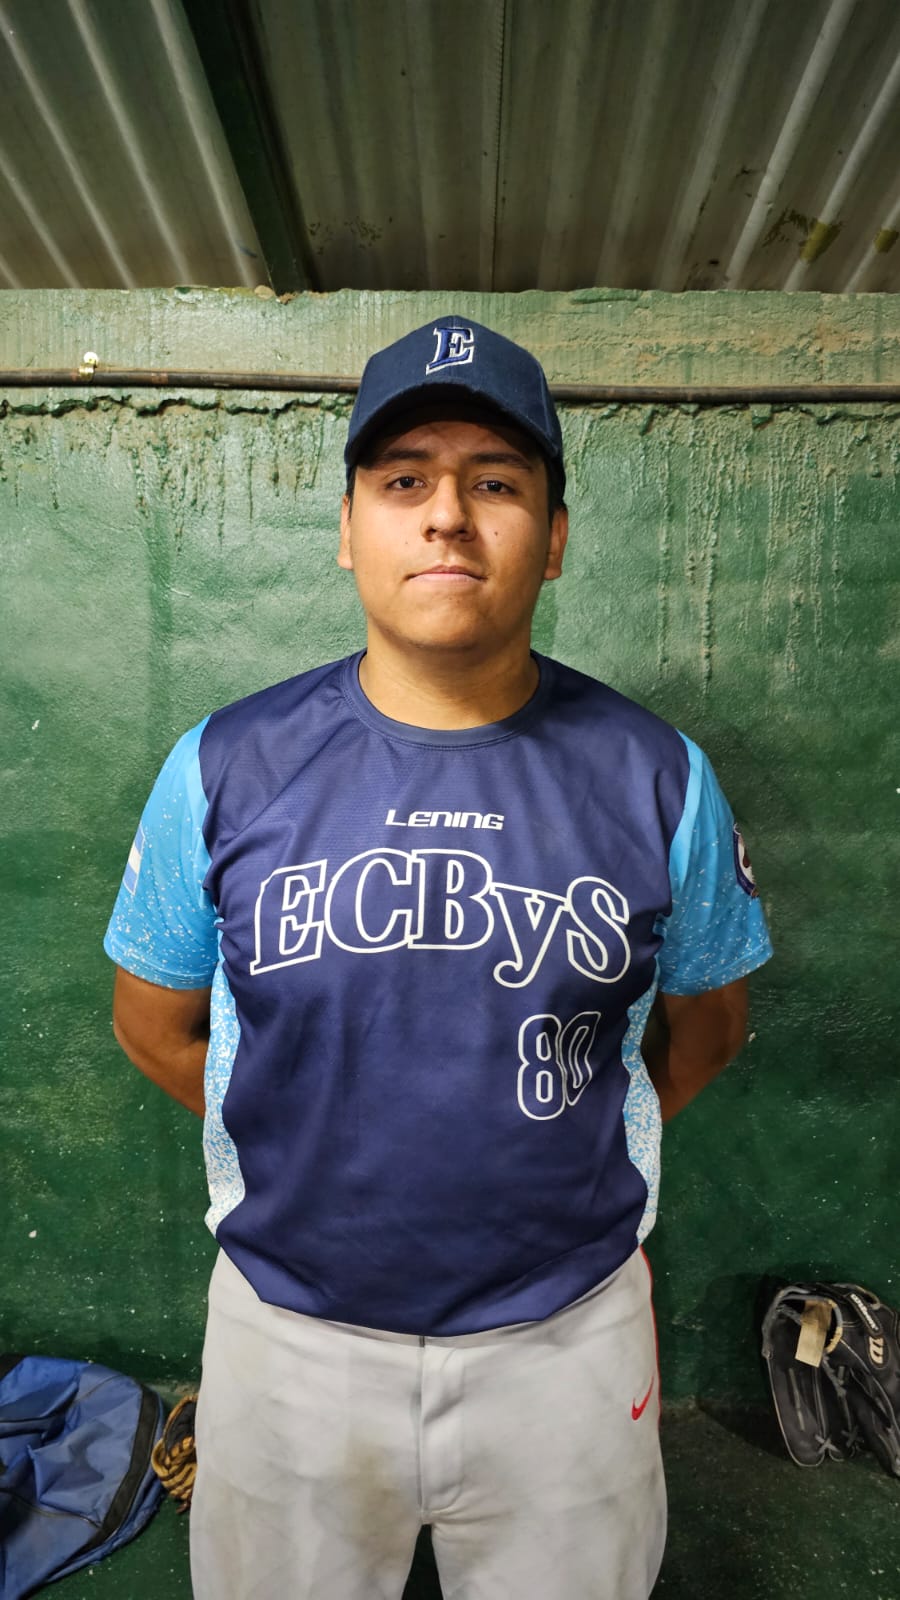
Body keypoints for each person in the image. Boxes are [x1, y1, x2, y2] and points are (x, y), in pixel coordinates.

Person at [104, 315, 772, 1600]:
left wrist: (554, 1151)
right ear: (349, 527)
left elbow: (708, 1029)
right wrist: (314, 1146)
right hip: (289, 1330)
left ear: (555, 537)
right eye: (404, 479)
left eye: (497, 483)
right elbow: (154, 1025)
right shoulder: (223, 764)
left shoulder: (659, 775)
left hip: (566, 1337)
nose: (448, 516)